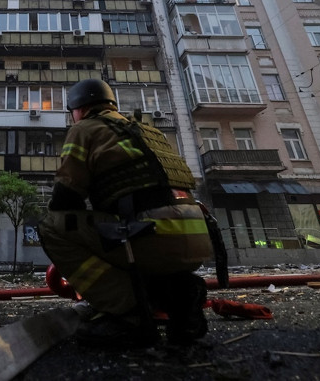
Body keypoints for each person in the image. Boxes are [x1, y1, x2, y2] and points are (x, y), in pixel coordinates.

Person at [38, 79, 213, 347]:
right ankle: (179, 295)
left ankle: (128, 313)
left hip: (151, 236)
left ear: (80, 109)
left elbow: (66, 197)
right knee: (126, 227)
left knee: (53, 226)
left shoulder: (85, 128)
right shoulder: (147, 130)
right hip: (197, 237)